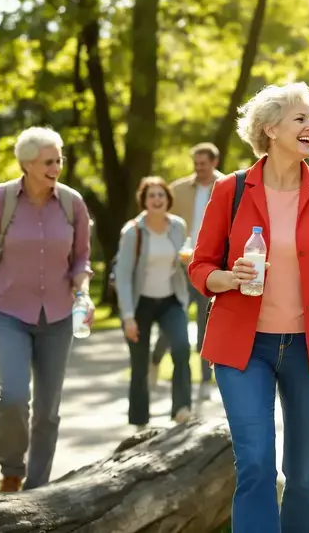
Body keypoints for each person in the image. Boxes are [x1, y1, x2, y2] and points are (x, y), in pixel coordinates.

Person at [188, 82, 309, 533]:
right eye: (300, 118)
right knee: (255, 464)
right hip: (243, 347)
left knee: (305, 474)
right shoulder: (230, 189)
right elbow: (200, 266)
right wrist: (226, 279)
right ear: (270, 129)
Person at [0, 126, 94, 493]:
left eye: (59, 159)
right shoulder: (0, 199)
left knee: (48, 409)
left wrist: (82, 291)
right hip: (8, 311)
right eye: (48, 161)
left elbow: (81, 256)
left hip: (57, 315)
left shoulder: (72, 203)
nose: (57, 166)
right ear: (26, 164)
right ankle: (11, 470)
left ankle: (37, 487)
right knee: (13, 397)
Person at [113, 176, 194, 428]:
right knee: (139, 364)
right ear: (144, 201)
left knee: (181, 348)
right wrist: (128, 316)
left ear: (168, 199)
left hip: (171, 300)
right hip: (140, 304)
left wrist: (187, 260)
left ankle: (181, 409)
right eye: (152, 195)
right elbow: (124, 277)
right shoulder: (132, 232)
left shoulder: (177, 226)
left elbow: (185, 255)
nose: (157, 199)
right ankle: (139, 421)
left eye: (161, 195)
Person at [162, 142, 225, 398]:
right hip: (181, 266)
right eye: (195, 163)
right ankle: (156, 361)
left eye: (203, 163)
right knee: (171, 318)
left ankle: (205, 382)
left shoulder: (228, 187)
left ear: (214, 163)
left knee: (205, 324)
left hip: (211, 267)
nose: (198, 168)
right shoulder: (177, 191)